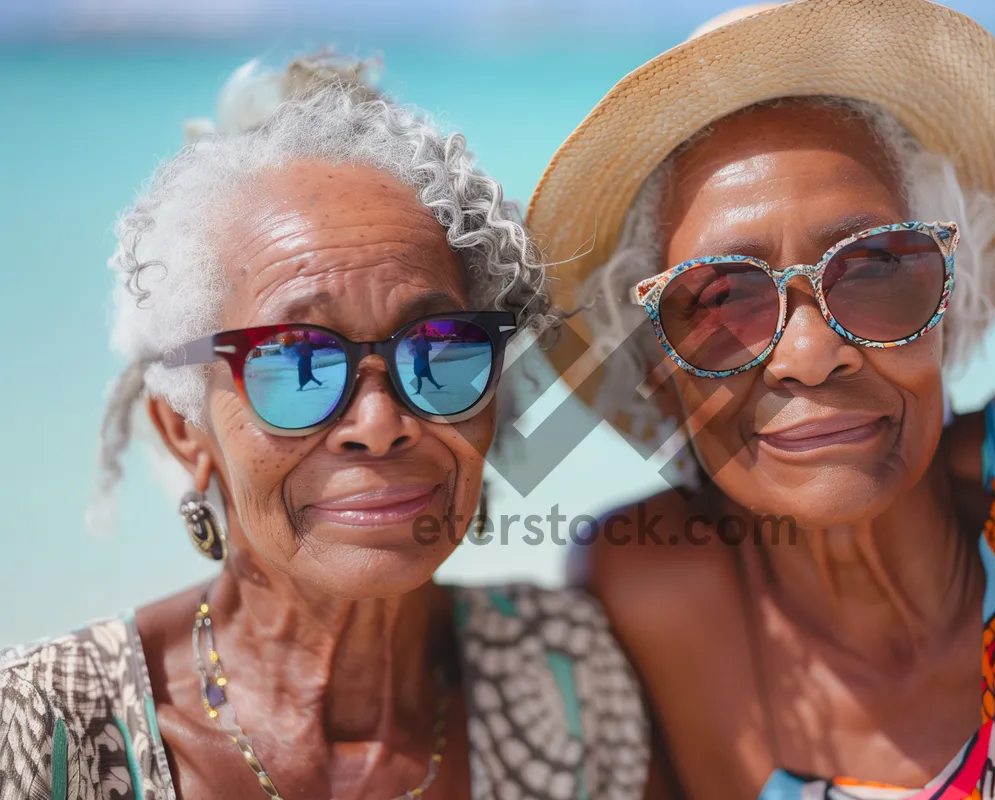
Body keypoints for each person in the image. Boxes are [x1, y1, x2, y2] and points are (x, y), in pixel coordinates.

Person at [527, 2, 995, 798]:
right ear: (656, 371)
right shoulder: (658, 596)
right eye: (720, 301)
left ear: (951, 303)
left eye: (876, 265)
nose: (810, 357)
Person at [0, 53, 652, 799]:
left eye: (438, 349)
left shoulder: (572, 680)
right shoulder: (39, 731)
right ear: (186, 431)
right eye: (296, 364)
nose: (378, 426)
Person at [411, 326, 444, 392]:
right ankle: (437, 386)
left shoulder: (416, 337)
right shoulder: (425, 338)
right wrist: (435, 333)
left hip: (419, 357)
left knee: (419, 374)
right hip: (424, 357)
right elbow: (439, 338)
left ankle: (419, 390)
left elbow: (412, 343)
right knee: (427, 374)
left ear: (419, 330)